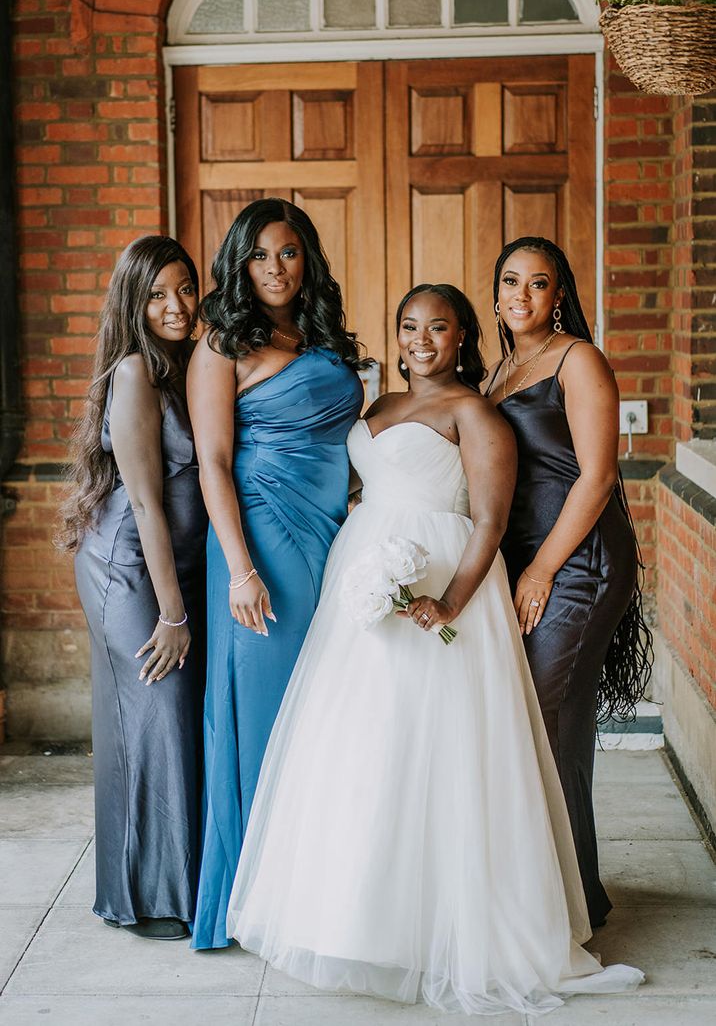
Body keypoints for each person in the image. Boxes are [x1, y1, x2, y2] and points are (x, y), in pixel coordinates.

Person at [225, 283, 644, 1016]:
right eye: (409, 326)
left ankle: (445, 927)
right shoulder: (376, 408)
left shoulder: (475, 414)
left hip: (442, 579)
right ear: (396, 335)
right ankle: (359, 919)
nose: (422, 340)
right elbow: (359, 485)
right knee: (361, 748)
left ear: (461, 339)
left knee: (437, 753)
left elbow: (487, 521)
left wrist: (449, 600)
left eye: (439, 328)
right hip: (362, 584)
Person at [186, 198, 365, 950]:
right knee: (265, 714)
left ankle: (318, 885)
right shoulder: (221, 346)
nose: (275, 268)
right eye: (259, 256)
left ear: (308, 259)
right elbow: (214, 462)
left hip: (333, 540)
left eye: (288, 253)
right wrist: (238, 570)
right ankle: (257, 896)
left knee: (327, 711)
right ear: (239, 264)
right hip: (259, 542)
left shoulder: (321, 336)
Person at [484, 236, 653, 929]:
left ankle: (563, 908)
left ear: (560, 297)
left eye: (539, 283)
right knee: (540, 725)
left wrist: (542, 567)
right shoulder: (499, 370)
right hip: (528, 559)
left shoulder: (578, 360)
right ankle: (570, 890)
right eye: (511, 281)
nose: (522, 295)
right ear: (495, 294)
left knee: (547, 724)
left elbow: (599, 476)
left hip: (578, 563)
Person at [59, 236, 207, 939]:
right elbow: (146, 501)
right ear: (133, 302)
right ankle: (156, 898)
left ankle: (160, 884)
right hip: (128, 568)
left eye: (184, 288)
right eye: (157, 295)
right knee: (158, 707)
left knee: (163, 720)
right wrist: (173, 614)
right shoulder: (132, 374)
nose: (176, 306)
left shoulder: (180, 365)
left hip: (168, 561)